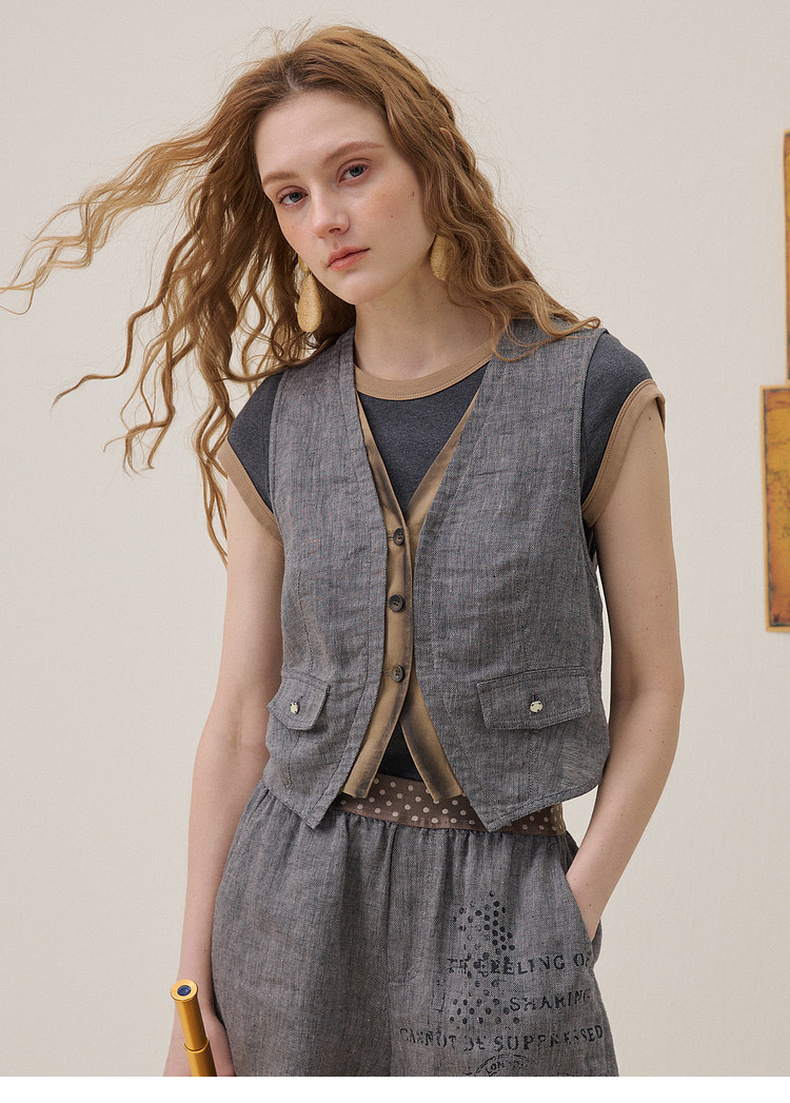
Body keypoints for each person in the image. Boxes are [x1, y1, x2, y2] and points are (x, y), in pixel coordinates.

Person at [3, 25, 683, 1076]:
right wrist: (191, 987)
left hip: (505, 895)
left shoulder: (594, 392)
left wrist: (572, 908)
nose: (324, 216)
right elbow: (242, 712)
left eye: (352, 171)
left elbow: (652, 687)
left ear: (430, 160)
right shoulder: (277, 424)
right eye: (291, 194)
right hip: (286, 903)